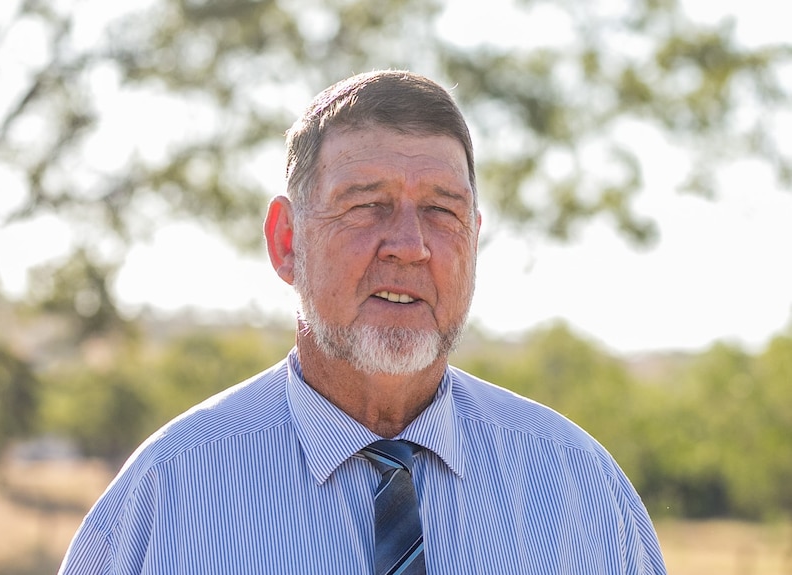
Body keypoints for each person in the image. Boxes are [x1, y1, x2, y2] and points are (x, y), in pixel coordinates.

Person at [59, 70, 667, 574]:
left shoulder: (578, 490)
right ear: (286, 241)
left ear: (473, 240)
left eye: (440, 210)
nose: (409, 245)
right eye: (367, 206)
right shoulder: (170, 494)